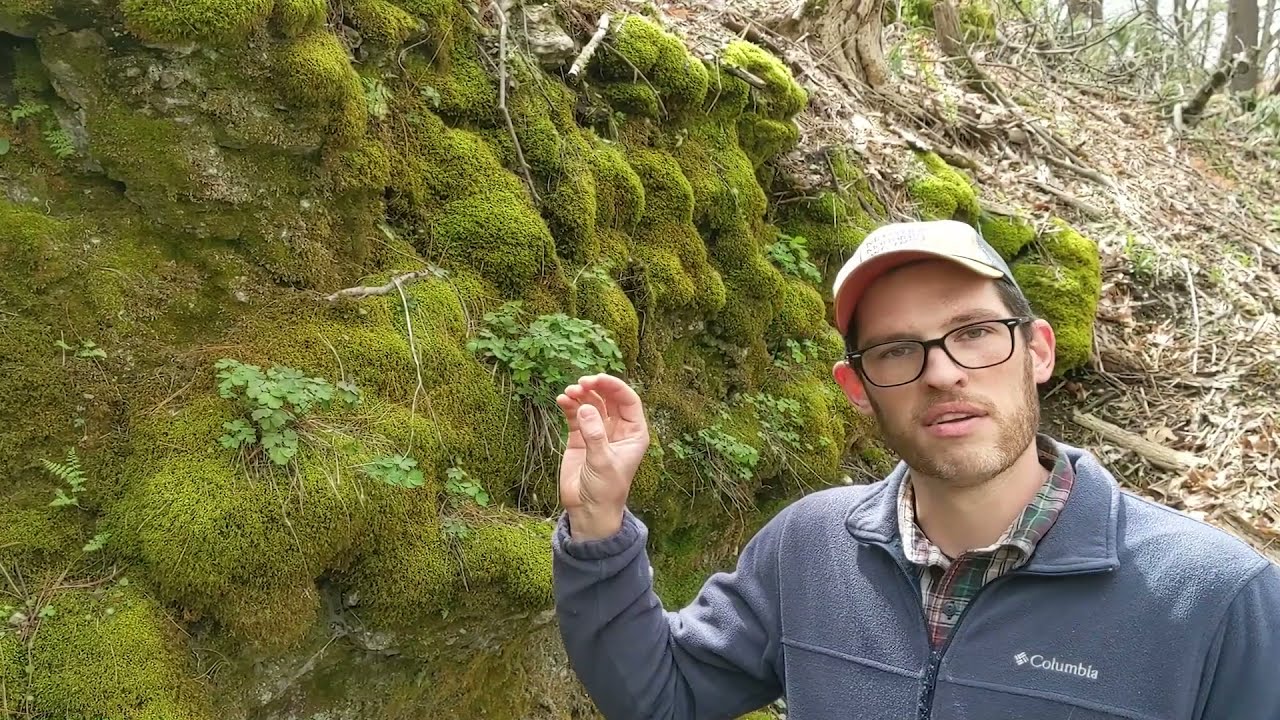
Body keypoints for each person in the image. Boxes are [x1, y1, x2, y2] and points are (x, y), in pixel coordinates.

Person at [549, 219, 1280, 720]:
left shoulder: (1214, 597)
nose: (942, 374)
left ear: (1039, 351)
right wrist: (597, 525)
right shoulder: (810, 546)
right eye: (898, 350)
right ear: (858, 390)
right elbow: (664, 697)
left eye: (974, 333)